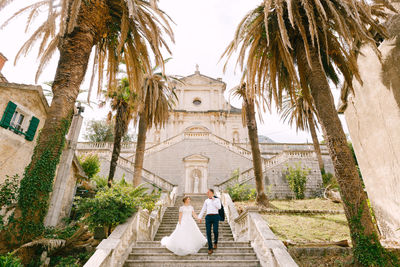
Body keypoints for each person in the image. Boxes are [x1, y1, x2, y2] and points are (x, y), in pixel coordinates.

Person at [198, 188, 221, 255]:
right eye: (207, 193)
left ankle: (215, 242)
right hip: (208, 217)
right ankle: (210, 248)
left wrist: (214, 200)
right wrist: (200, 217)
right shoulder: (206, 201)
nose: (207, 194)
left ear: (212, 193)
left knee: (215, 231)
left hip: (215, 216)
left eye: (208, 193)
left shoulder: (217, 199)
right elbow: (203, 209)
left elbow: (219, 207)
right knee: (208, 233)